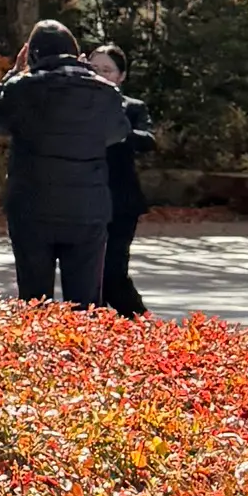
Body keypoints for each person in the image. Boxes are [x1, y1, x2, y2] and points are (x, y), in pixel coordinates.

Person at [0, 19, 131, 306]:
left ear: (33, 55)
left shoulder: (21, 88)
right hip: (87, 209)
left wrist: (11, 74)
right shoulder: (105, 92)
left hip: (31, 208)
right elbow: (118, 132)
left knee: (35, 303)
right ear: (75, 53)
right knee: (84, 305)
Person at [86, 37, 154, 317]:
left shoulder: (131, 107)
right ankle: (96, 328)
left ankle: (142, 323)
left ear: (121, 75)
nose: (100, 75)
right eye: (93, 68)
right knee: (87, 272)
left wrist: (118, 124)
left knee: (113, 270)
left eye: (107, 70)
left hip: (120, 200)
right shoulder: (75, 104)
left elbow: (147, 139)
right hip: (82, 197)